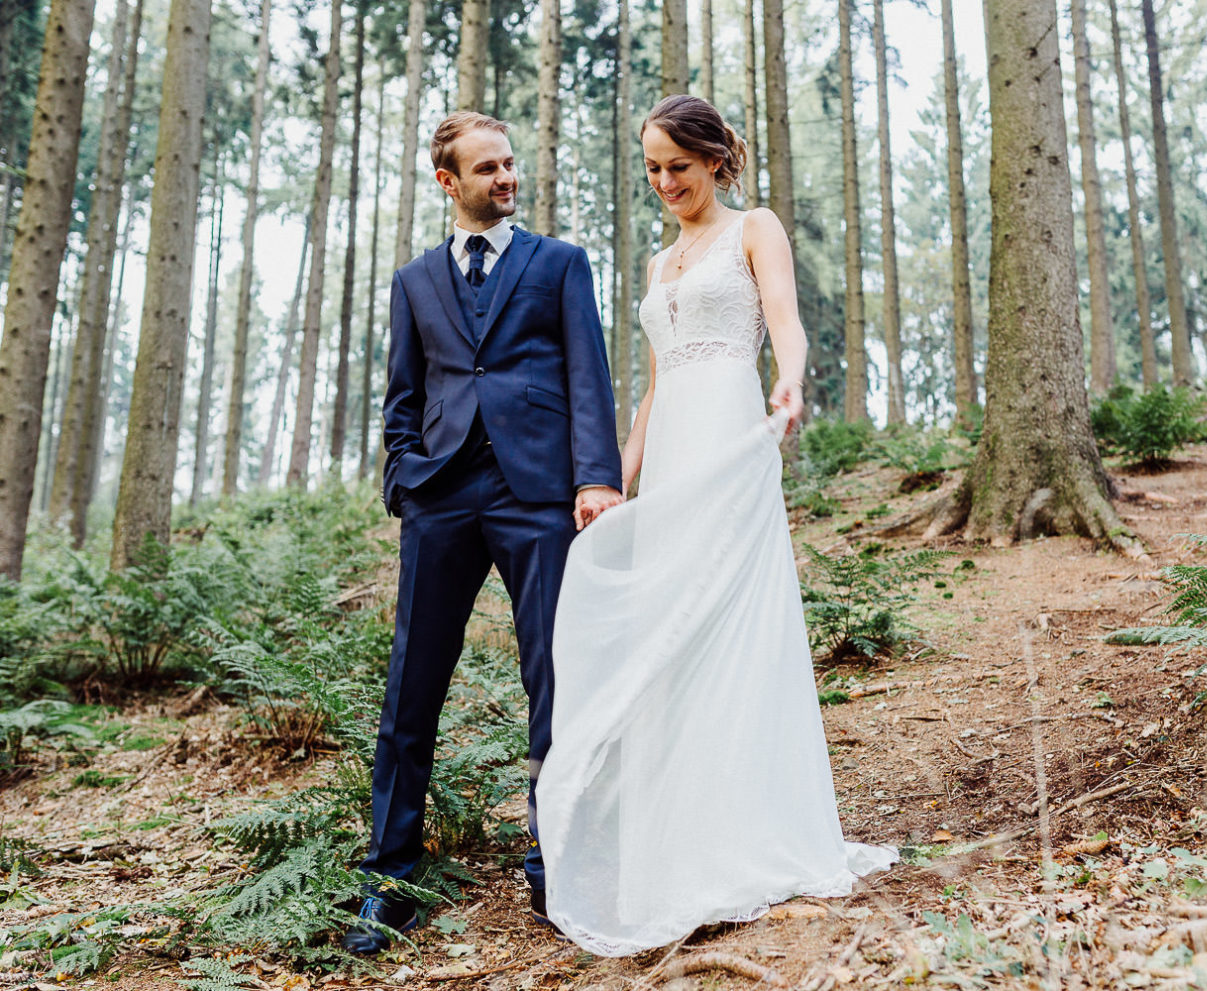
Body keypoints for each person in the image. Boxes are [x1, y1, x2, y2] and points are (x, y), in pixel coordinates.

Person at [534, 94, 897, 957]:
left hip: (733, 433)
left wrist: (791, 384)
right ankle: (674, 843)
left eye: (679, 168)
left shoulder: (753, 227)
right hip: (672, 450)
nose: (665, 183)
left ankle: (745, 834)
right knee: (669, 630)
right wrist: (612, 480)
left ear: (715, 160)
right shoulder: (662, 267)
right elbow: (654, 389)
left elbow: (785, 325)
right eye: (653, 170)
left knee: (726, 619)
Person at [342, 112, 624, 954]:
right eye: (488, 168)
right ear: (448, 182)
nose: (506, 178)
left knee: (557, 680)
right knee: (410, 690)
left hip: (538, 496)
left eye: (510, 164)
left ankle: (558, 861)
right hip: (439, 498)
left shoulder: (561, 264)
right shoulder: (415, 281)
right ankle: (389, 881)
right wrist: (404, 476)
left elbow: (589, 375)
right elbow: (402, 393)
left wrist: (596, 477)